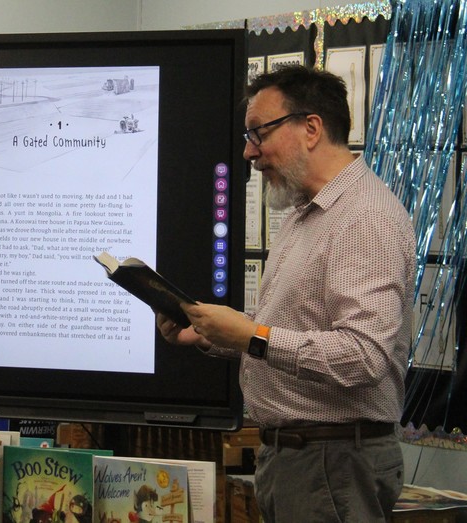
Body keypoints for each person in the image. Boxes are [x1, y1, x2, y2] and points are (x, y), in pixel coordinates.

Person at [157, 65, 416, 522]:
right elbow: (292, 333)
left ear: (311, 128)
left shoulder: (364, 219)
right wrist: (209, 335)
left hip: (332, 464)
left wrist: (251, 335)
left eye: (259, 133)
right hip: (300, 461)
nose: (247, 152)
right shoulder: (305, 214)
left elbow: (364, 356)